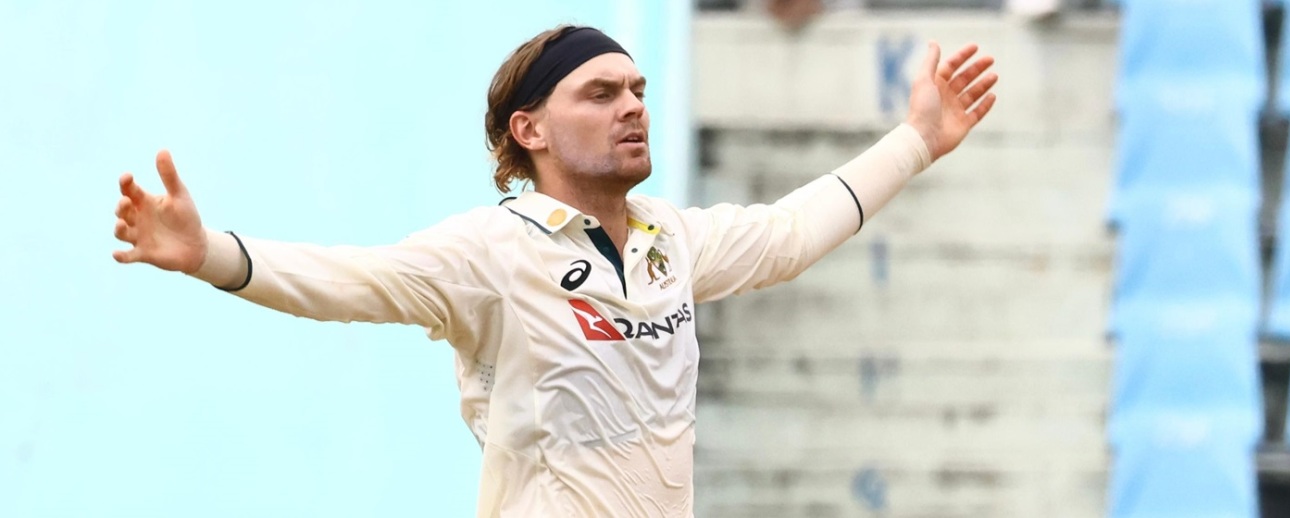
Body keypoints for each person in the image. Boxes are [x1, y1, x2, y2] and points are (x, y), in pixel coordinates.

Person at [111, 25, 996, 518]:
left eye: (638, 90)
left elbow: (793, 233)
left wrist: (918, 138)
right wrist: (208, 253)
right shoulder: (490, 253)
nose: (632, 107)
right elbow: (350, 282)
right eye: (600, 94)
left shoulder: (670, 240)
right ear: (528, 130)